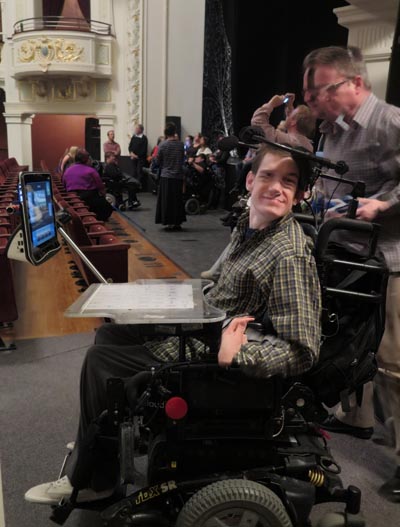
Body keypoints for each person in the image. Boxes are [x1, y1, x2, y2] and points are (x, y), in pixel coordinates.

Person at [24, 143, 321, 505]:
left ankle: (93, 481)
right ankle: (100, 438)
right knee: (107, 333)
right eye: (268, 176)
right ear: (249, 180)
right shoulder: (249, 227)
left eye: (288, 182)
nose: (276, 187)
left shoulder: (288, 252)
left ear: (299, 194)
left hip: (218, 359)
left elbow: (302, 351)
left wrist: (239, 356)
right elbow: (222, 286)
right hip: (204, 326)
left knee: (101, 362)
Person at [302, 45, 400, 500]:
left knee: (392, 366)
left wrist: (384, 204)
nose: (313, 102)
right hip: (347, 254)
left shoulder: (390, 122)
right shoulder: (333, 130)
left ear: (354, 83)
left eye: (318, 92)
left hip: (390, 261)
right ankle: (355, 418)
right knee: (349, 344)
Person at [251, 93, 315, 152]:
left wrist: (271, 104)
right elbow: (292, 122)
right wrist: (289, 107)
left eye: (292, 114)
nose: (288, 115)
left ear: (293, 122)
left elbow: (257, 123)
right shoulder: (309, 146)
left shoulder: (282, 140)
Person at [63, 148, 113, 221]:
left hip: (71, 200)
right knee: (107, 208)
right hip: (88, 199)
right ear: (87, 160)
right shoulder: (91, 171)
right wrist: (103, 196)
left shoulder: (67, 170)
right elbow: (101, 187)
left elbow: (64, 184)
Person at [155, 122, 186, 231]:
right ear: (174, 132)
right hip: (178, 175)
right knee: (177, 200)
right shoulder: (181, 145)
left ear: (166, 133)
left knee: (167, 200)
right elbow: (182, 159)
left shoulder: (162, 145)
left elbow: (158, 161)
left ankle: (168, 222)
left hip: (166, 175)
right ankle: (177, 222)